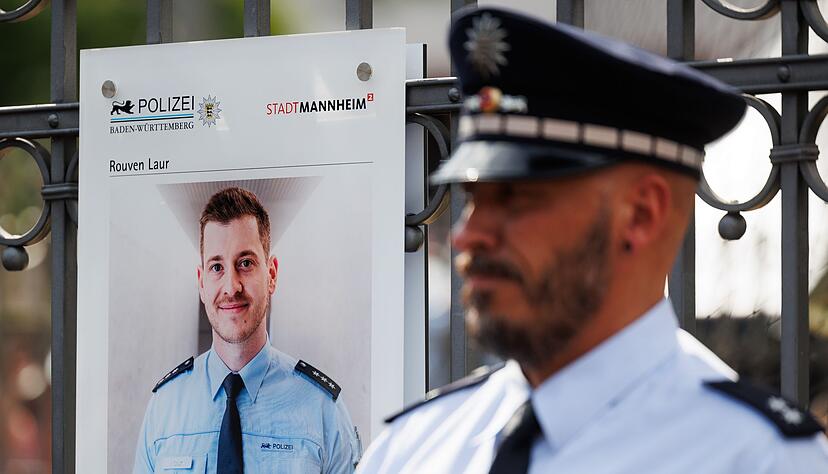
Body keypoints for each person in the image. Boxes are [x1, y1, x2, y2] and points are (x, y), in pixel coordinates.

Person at [357, 7, 828, 474]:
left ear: (641, 215)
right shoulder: (409, 451)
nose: (467, 235)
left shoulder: (756, 460)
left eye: (517, 199)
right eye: (473, 199)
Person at [134, 187, 361, 473]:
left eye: (245, 263)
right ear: (201, 282)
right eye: (217, 267)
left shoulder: (322, 410)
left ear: (272, 274)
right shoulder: (164, 408)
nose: (231, 287)